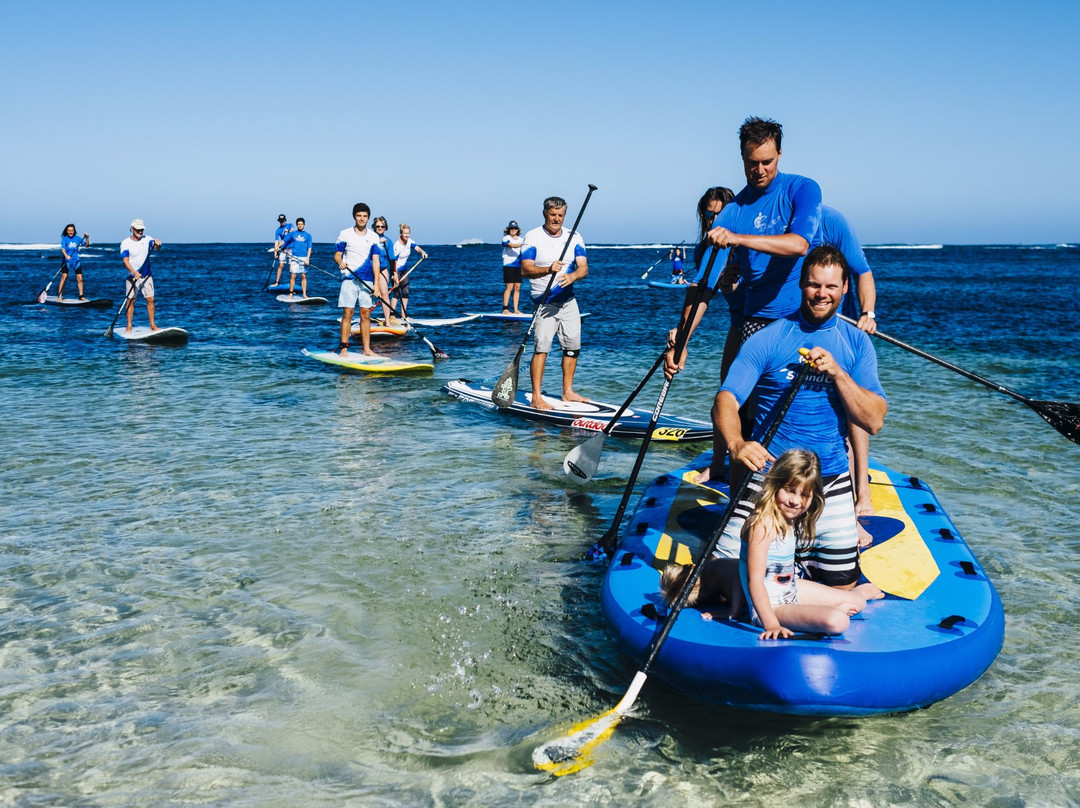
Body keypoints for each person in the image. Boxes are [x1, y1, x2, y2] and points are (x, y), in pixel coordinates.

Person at [710, 245, 888, 590]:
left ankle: (800, 569)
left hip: (830, 480)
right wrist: (736, 443)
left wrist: (838, 374)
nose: (822, 294)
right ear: (802, 285)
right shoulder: (769, 338)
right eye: (813, 285)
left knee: (842, 587)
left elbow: (874, 420)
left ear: (845, 288)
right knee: (723, 580)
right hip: (770, 476)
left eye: (831, 287)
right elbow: (725, 400)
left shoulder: (856, 343)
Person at [665, 117, 822, 379]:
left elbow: (799, 245)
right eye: (752, 162)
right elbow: (703, 286)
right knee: (735, 407)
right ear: (742, 157)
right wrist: (682, 340)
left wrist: (739, 239)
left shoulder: (802, 189)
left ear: (780, 155)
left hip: (804, 321)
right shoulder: (732, 212)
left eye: (767, 162)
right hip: (756, 323)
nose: (759, 170)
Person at [737, 450, 880, 639]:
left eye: (804, 495)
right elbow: (753, 579)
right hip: (773, 608)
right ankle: (835, 609)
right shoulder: (763, 524)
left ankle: (854, 596)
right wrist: (771, 624)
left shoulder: (786, 518)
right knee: (838, 621)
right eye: (789, 490)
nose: (796, 501)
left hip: (791, 589)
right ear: (775, 484)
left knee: (857, 602)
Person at [817, 206, 879, 521]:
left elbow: (862, 272)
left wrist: (867, 313)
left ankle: (862, 491)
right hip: (802, 324)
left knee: (853, 407)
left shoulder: (832, 221)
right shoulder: (775, 224)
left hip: (845, 325)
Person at [519, 196, 590, 410]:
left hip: (568, 301)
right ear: (545, 214)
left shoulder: (574, 236)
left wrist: (573, 276)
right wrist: (548, 269)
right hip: (544, 303)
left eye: (560, 215)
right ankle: (536, 397)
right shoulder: (533, 237)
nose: (556, 219)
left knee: (572, 347)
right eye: (553, 215)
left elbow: (583, 268)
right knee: (542, 349)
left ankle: (567, 392)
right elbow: (525, 269)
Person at [333, 203, 384, 358]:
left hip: (367, 280)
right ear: (354, 216)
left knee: (365, 314)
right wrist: (339, 261)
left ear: (368, 218)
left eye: (365, 216)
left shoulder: (374, 237)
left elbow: (376, 262)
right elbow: (337, 255)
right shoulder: (345, 234)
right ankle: (344, 349)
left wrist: (376, 284)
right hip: (349, 278)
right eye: (359, 216)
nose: (362, 219)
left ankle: (367, 349)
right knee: (347, 313)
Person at [120, 218, 162, 333]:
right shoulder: (125, 243)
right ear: (132, 229)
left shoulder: (147, 239)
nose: (140, 231)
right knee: (131, 300)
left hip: (146, 274)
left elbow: (155, 246)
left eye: (141, 229)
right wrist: (134, 272)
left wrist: (157, 243)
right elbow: (125, 261)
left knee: (150, 299)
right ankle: (129, 326)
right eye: (138, 229)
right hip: (132, 276)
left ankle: (153, 325)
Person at [391, 223, 428, 319]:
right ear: (401, 234)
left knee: (406, 291)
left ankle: (403, 315)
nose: (407, 235)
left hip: (404, 270)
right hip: (396, 270)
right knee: (397, 292)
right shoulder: (397, 245)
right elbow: (393, 261)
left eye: (408, 233)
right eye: (405, 233)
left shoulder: (409, 241)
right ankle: (391, 315)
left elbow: (416, 247)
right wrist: (394, 275)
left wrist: (422, 252)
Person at [371, 216, 397, 324]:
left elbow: (392, 259)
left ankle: (387, 320)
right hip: (371, 269)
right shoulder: (370, 238)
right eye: (377, 226)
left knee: (385, 295)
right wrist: (377, 241)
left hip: (383, 269)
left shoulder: (389, 241)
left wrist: (394, 274)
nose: (380, 228)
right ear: (374, 227)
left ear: (385, 228)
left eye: (382, 226)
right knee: (370, 294)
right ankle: (364, 319)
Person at [281, 217, 313, 297]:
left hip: (304, 258)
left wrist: (307, 259)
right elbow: (284, 240)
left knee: (303, 275)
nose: (300, 225)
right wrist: (277, 246)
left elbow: (309, 248)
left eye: (301, 224)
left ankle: (304, 294)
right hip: (294, 257)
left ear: (304, 225)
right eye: (298, 224)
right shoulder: (293, 234)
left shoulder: (308, 235)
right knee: (293, 275)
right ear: (297, 225)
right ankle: (291, 293)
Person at [57, 224, 90, 300]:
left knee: (80, 278)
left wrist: (87, 238)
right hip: (66, 261)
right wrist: (66, 256)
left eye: (72, 230)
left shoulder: (78, 238)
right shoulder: (64, 239)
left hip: (76, 261)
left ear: (74, 231)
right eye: (69, 230)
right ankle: (60, 295)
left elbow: (87, 245)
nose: (70, 232)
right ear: (67, 231)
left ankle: (81, 296)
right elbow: (63, 249)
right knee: (64, 277)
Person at [501, 220, 524, 314]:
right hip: (508, 265)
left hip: (518, 265)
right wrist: (523, 245)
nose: (513, 230)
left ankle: (516, 309)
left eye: (515, 229)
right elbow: (511, 245)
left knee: (517, 287)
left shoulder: (521, 239)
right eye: (511, 229)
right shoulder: (506, 238)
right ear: (508, 230)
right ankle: (505, 309)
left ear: (517, 230)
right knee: (509, 287)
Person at [272, 214, 295, 287]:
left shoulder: (290, 225)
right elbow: (276, 242)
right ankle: (277, 282)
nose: (282, 222)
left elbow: (292, 231)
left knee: (291, 265)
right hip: (283, 248)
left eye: (283, 221)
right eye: (281, 221)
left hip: (291, 248)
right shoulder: (278, 230)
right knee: (280, 265)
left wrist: (287, 231)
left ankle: (292, 283)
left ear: (285, 220)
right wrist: (275, 252)